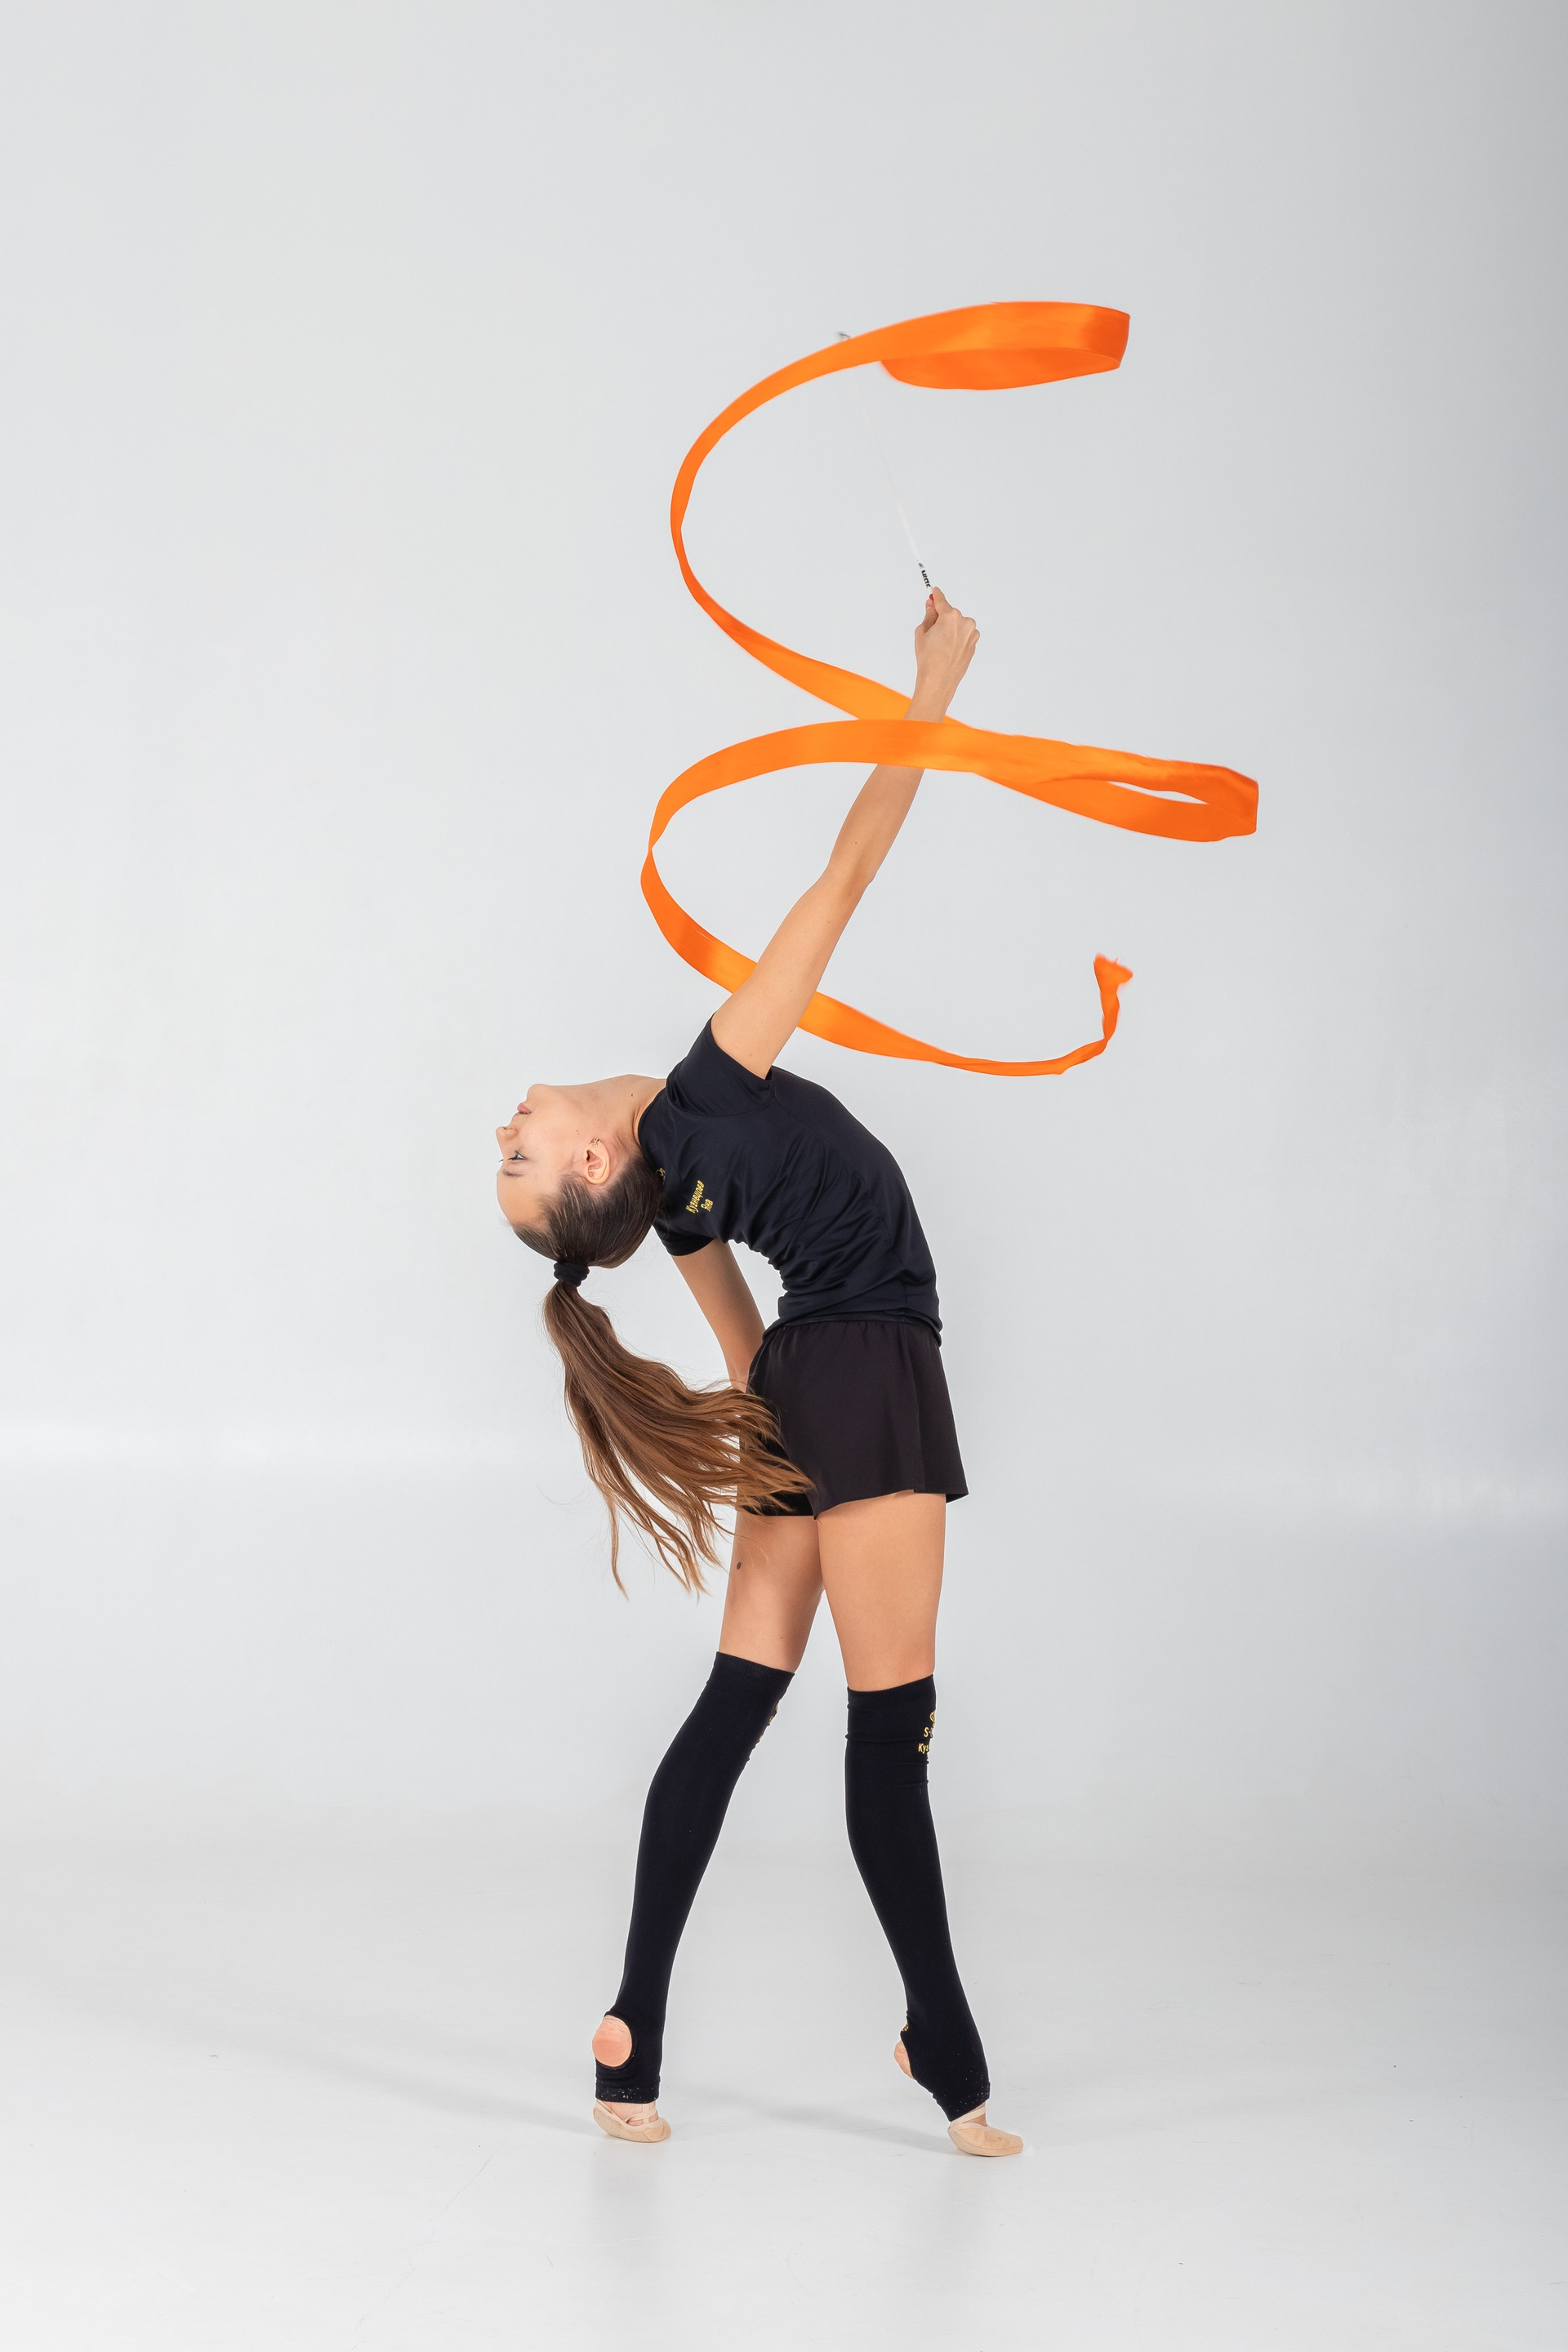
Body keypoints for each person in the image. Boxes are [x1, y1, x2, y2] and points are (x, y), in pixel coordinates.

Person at [495, 589, 1022, 2158]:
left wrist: (774, 1455)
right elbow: (846, 871)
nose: (507, 1130)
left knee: (737, 1707)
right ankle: (947, 2052)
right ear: (596, 1162)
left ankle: (631, 2035)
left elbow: (743, 1351)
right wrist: (931, 688)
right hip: (868, 1368)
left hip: (803, 1385)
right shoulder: (711, 1088)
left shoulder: (678, 1197)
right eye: (519, 1158)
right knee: (888, 1735)